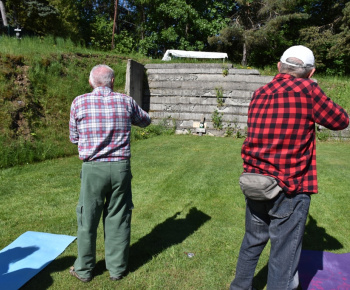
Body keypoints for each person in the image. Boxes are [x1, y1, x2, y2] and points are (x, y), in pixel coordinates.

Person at [230, 45, 349, 290]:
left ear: (279, 66)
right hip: (289, 186)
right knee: (284, 255)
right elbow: (341, 121)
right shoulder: (308, 90)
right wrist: (313, 86)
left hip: (255, 181)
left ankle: (239, 287)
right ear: (310, 71)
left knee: (252, 241)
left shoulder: (260, 91)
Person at [69, 64, 151, 282]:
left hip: (92, 168)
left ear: (91, 82)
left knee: (88, 217)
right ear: (112, 82)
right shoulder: (126, 101)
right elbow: (145, 120)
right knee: (118, 217)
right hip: (120, 168)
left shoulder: (79, 102)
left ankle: (85, 270)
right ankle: (117, 269)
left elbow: (73, 137)